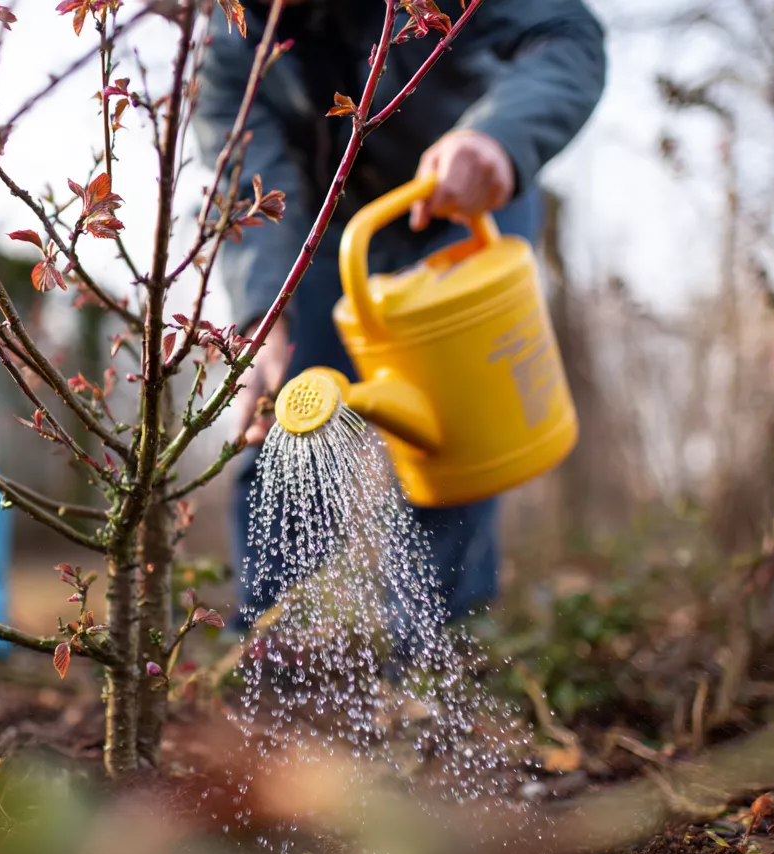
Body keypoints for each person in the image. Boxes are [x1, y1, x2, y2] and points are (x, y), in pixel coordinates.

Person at [192, 0, 607, 637]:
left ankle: (436, 646)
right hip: (329, 233)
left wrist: (499, 135)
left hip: (466, 200)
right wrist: (263, 316)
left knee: (455, 428)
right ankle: (271, 639)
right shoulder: (232, 44)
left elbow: (567, 34)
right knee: (288, 410)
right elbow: (252, 187)